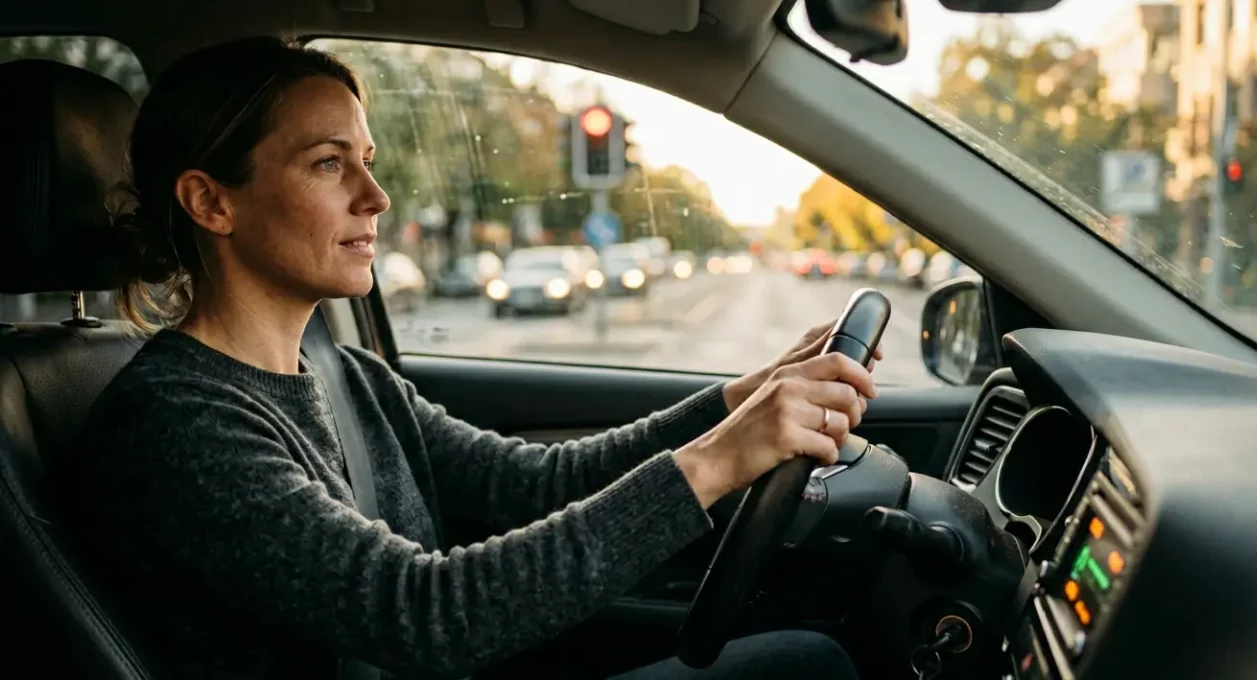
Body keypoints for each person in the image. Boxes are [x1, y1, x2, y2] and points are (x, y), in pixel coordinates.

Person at [70, 37, 882, 680]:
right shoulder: (177, 422)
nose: (375, 197)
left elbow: (536, 487)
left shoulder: (349, 378)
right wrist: (717, 460)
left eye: (369, 162)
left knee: (805, 652)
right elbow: (426, 614)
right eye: (328, 164)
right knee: (811, 662)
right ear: (211, 201)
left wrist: (735, 404)